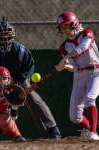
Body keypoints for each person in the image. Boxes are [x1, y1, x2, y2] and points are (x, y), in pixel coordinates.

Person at [0, 17, 61, 139]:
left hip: (15, 80)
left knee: (33, 98)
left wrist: (21, 81)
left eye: (7, 35)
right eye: (1, 35)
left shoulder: (21, 50)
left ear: (13, 35)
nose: (4, 38)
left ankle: (52, 130)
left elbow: (29, 66)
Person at [55, 11, 99, 140]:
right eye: (62, 28)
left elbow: (83, 47)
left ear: (74, 24)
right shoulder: (64, 47)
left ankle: (93, 132)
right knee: (74, 117)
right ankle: (87, 129)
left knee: (89, 99)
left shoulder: (87, 33)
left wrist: (66, 58)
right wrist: (64, 66)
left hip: (96, 72)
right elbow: (74, 67)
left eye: (66, 26)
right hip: (79, 75)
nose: (64, 30)